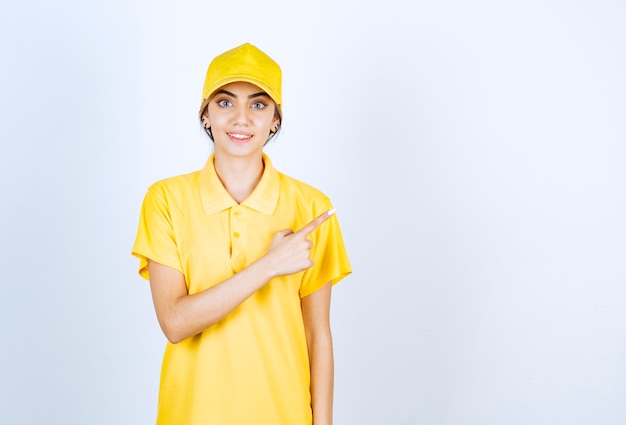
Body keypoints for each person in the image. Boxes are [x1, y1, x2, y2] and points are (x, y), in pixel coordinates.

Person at [132, 42, 352, 425]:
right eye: (225, 102)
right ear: (206, 115)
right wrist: (268, 266)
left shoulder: (311, 206)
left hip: (284, 413)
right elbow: (175, 323)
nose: (241, 119)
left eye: (258, 104)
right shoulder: (165, 199)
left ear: (275, 120)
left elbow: (319, 336)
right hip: (191, 414)